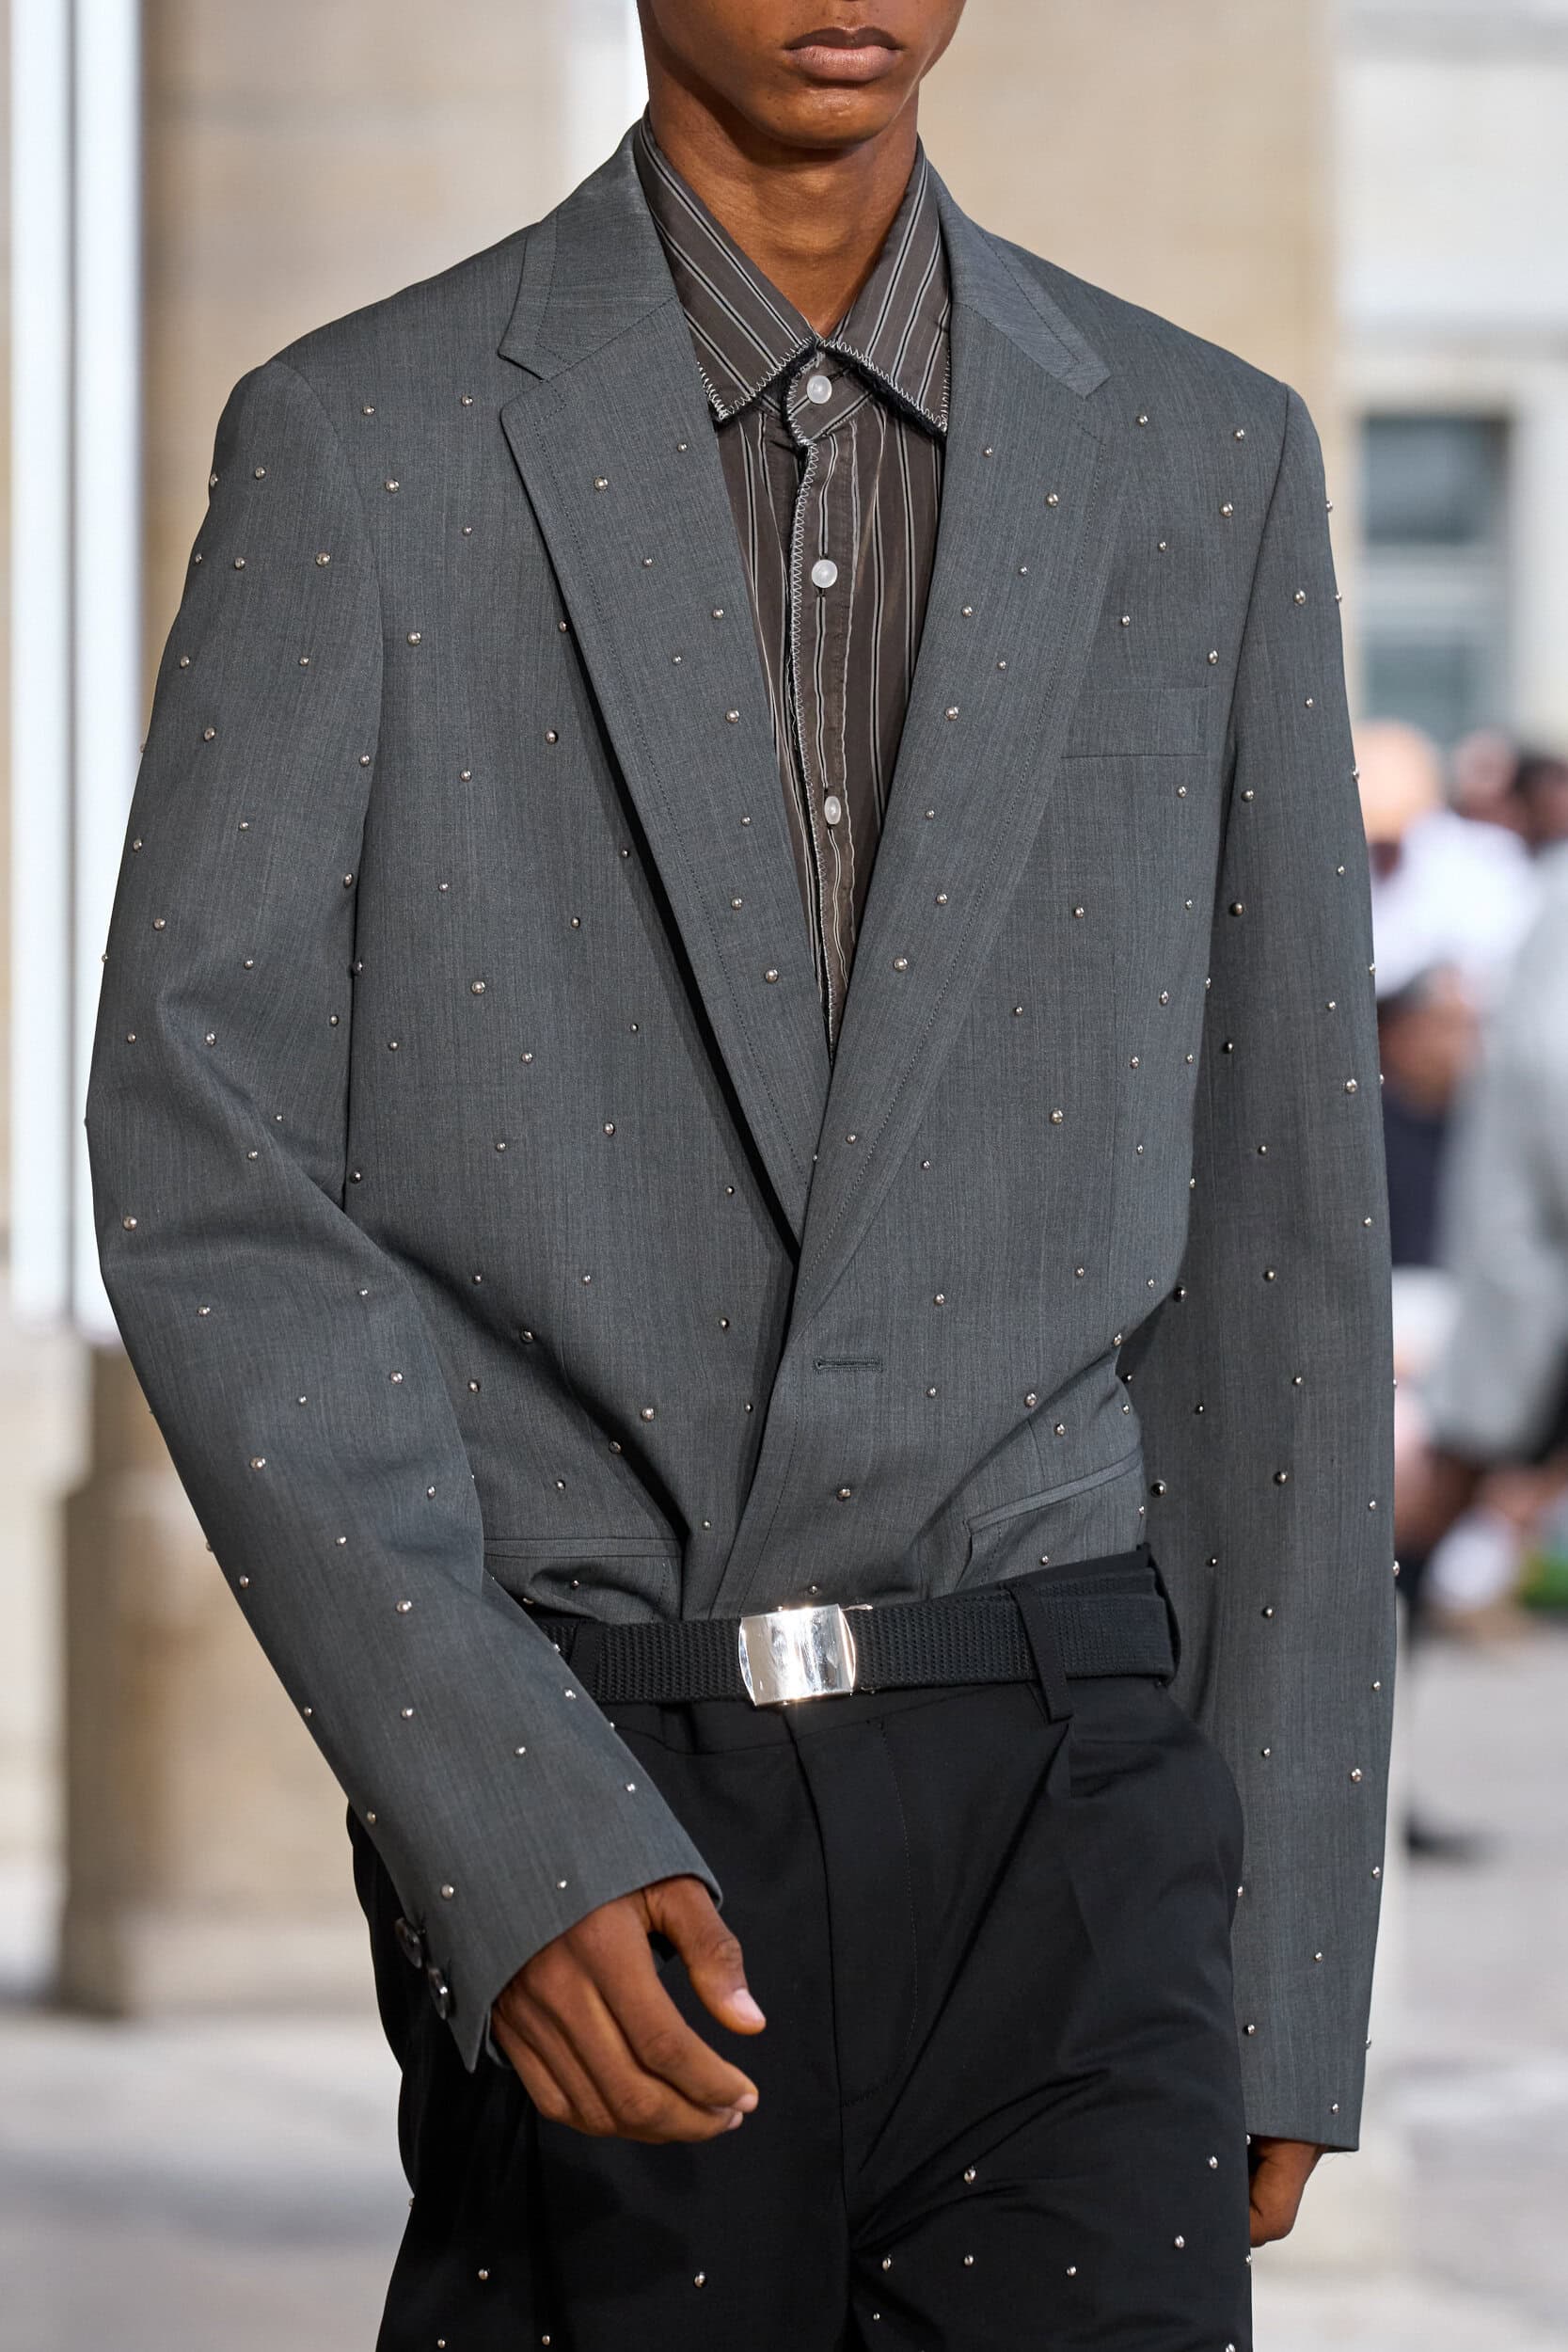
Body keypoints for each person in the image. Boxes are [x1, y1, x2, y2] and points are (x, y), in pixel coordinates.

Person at [85, 5, 1395, 2344]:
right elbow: (207, 1151)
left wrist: (1288, 1941)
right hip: (608, 1788)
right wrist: (496, 1812)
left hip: (1070, 1796)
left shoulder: (1205, 456)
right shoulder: (363, 445)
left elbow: (1288, 1234)